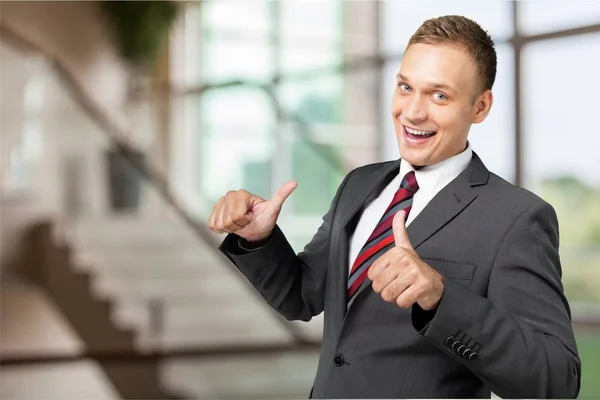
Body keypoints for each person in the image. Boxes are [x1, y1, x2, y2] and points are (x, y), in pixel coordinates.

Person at [209, 15, 581, 399]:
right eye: (406, 87)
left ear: (480, 107)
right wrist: (258, 239)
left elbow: (557, 380)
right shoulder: (360, 183)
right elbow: (302, 296)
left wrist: (441, 297)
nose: (413, 112)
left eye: (439, 95)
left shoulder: (516, 217)